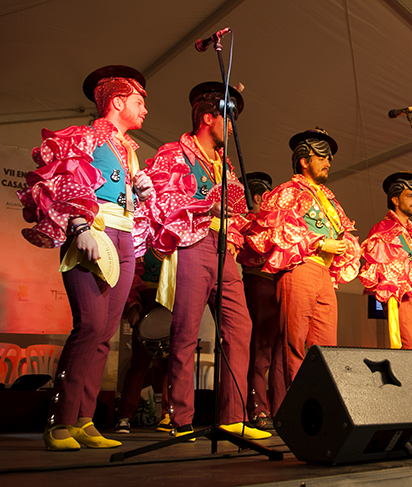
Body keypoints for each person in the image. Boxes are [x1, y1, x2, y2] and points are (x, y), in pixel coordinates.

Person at [17, 65, 154, 450]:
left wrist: (140, 192)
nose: (145, 110)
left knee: (105, 333)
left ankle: (83, 419)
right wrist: (79, 225)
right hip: (95, 232)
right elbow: (67, 176)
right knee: (90, 326)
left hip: (123, 238)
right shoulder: (86, 136)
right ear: (117, 101)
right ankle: (59, 422)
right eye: (139, 102)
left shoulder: (128, 151)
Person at [143, 82, 268, 440]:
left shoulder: (224, 164)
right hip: (192, 245)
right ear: (207, 117)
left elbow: (237, 209)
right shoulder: (174, 153)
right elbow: (161, 199)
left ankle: (232, 416)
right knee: (186, 331)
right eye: (227, 119)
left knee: (240, 327)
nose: (231, 127)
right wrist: (205, 206)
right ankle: (180, 417)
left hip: (224, 248)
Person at [245, 128, 360, 384]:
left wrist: (346, 246)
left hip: (324, 274)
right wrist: (320, 243)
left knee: (327, 346)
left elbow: (342, 233)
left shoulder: (328, 199)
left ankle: (320, 403)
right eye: (322, 157)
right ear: (304, 161)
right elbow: (275, 226)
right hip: (301, 267)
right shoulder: (289, 190)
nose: (328, 162)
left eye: (329, 158)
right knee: (293, 342)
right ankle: (295, 409)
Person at [359, 172, 412, 350]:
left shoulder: (411, 233)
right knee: (410, 348)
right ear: (395, 200)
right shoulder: (385, 228)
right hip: (400, 297)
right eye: (410, 196)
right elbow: (380, 267)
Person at [237, 172, 284, 430]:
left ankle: (280, 408)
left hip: (276, 285)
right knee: (261, 348)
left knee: (278, 350)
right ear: (259, 197)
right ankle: (258, 408)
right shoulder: (249, 223)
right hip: (259, 282)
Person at [113, 249, 171, 434]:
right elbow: (129, 274)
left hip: (170, 304)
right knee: (139, 362)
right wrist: (132, 304)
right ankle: (124, 415)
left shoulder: (178, 239)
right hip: (146, 302)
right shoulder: (141, 240)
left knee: (171, 364)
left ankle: (170, 414)